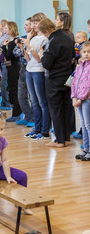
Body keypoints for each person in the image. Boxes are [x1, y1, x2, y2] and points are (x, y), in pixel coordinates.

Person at [38, 18, 76, 148]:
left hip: (54, 79)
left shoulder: (52, 41)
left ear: (47, 31)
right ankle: (65, 138)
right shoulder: (68, 37)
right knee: (65, 108)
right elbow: (72, 58)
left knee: (56, 109)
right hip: (66, 77)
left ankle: (59, 141)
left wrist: (42, 55)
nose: (45, 36)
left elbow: (47, 64)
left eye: (44, 34)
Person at [22, 12, 50, 141]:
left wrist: (29, 46)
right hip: (29, 70)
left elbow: (39, 60)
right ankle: (36, 128)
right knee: (34, 101)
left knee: (42, 102)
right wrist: (23, 47)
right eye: (32, 22)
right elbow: (28, 58)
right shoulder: (32, 38)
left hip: (38, 71)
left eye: (36, 22)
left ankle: (45, 130)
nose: (34, 25)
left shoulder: (44, 39)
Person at [13, 18, 34, 127]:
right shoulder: (23, 38)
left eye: (27, 25)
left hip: (33, 68)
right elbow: (15, 52)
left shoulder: (35, 39)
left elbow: (31, 54)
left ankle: (34, 118)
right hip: (23, 67)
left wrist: (25, 48)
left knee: (33, 96)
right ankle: (27, 116)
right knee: (21, 95)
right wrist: (22, 47)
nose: (25, 26)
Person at [71, 42, 90, 161]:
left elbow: (88, 85)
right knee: (83, 125)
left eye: (89, 52)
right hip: (78, 99)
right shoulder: (80, 66)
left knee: (88, 125)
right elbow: (74, 82)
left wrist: (80, 98)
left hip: (86, 99)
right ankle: (86, 149)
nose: (86, 54)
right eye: (84, 52)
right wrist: (74, 97)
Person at [2, 21, 22, 121]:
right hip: (17, 67)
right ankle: (18, 112)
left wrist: (3, 47)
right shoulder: (15, 41)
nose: (5, 30)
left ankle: (16, 114)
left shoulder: (11, 43)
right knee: (15, 90)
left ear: (10, 29)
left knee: (14, 90)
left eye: (6, 28)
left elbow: (8, 56)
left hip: (14, 68)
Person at [0, 18, 11, 110]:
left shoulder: (6, 37)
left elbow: (0, 47)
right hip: (2, 62)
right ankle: (5, 101)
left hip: (5, 63)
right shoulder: (3, 36)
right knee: (3, 83)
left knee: (4, 83)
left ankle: (6, 102)